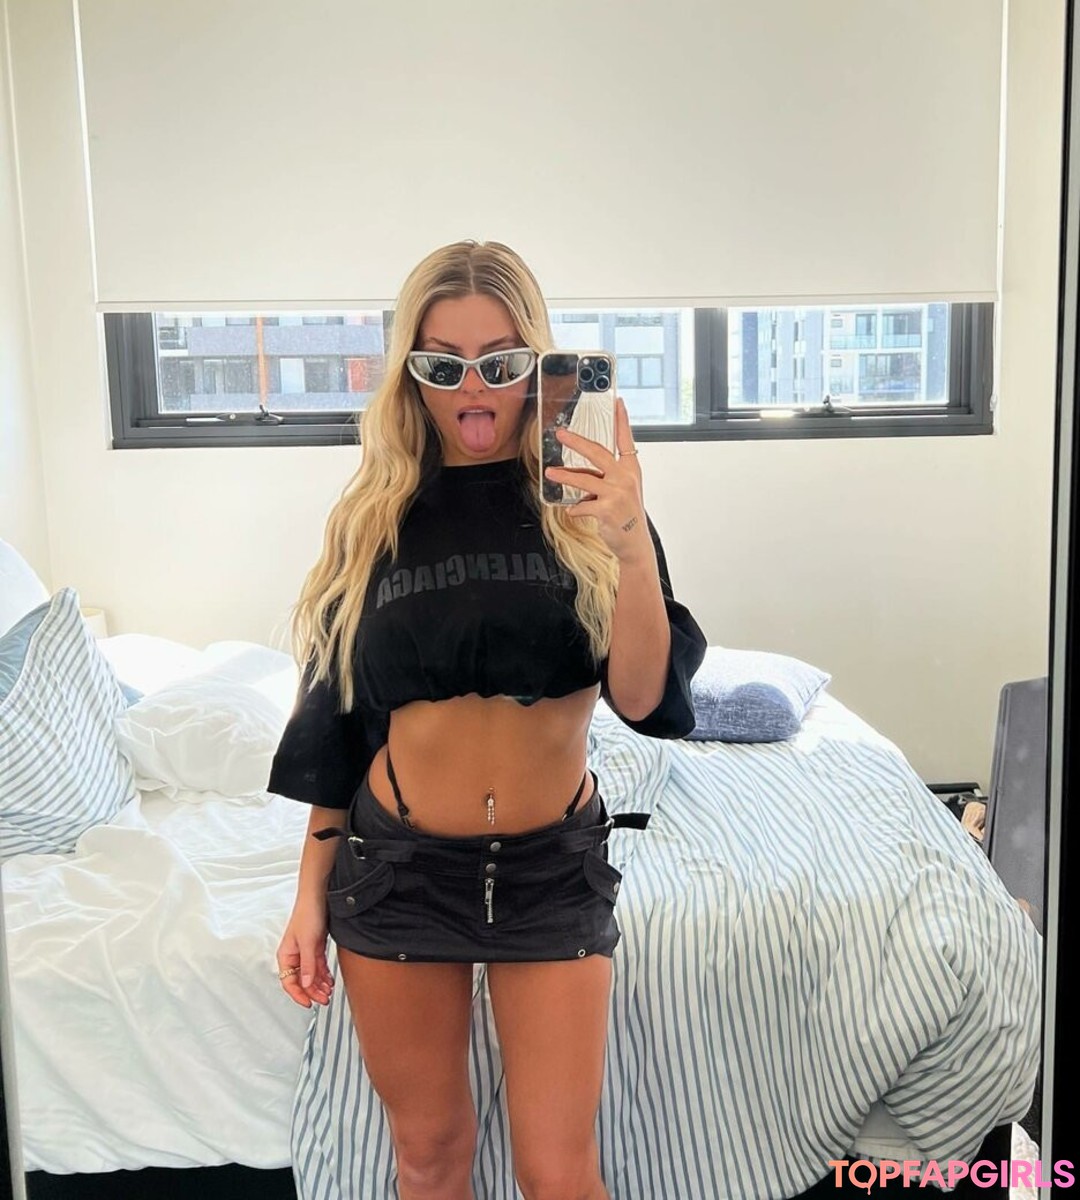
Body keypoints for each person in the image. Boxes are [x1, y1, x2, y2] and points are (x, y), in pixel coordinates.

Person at [267, 240, 707, 1200]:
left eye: (501, 363)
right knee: (429, 1156)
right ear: (410, 374)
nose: (474, 388)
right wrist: (309, 894)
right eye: (444, 364)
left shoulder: (588, 506)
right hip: (399, 872)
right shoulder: (375, 517)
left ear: (538, 366)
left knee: (561, 1174)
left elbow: (645, 699)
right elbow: (339, 721)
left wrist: (632, 543)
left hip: (551, 871)